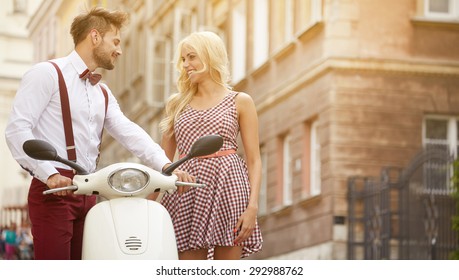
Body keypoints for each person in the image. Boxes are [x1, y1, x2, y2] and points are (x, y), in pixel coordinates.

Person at [4, 7, 192, 260]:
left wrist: (166, 165)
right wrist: (49, 174)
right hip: (54, 191)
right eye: (115, 41)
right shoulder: (46, 73)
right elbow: (17, 129)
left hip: (89, 192)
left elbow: (128, 131)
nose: (119, 49)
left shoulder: (101, 91)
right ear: (95, 37)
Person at [158, 31, 263, 260]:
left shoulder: (240, 101)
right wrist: (145, 206)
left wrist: (252, 207)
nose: (186, 64)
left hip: (229, 187)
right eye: (183, 59)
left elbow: (254, 160)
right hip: (186, 191)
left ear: (210, 56)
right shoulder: (176, 104)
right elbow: (162, 163)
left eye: (192, 57)